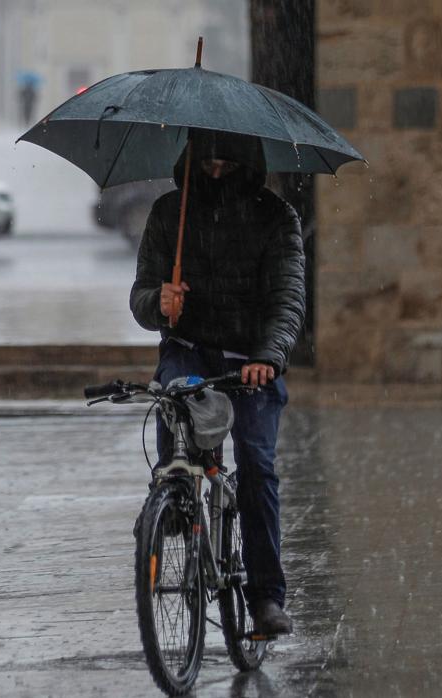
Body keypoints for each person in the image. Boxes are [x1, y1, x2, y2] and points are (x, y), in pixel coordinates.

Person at [129, 129, 306, 636]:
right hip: (190, 350)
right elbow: (142, 293)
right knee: (175, 423)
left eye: (227, 163)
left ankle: (266, 597)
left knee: (256, 465)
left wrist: (267, 358)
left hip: (251, 360)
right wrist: (159, 302)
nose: (216, 171)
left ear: (247, 163)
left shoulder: (277, 220)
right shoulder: (170, 214)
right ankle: (171, 506)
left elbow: (287, 299)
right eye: (207, 162)